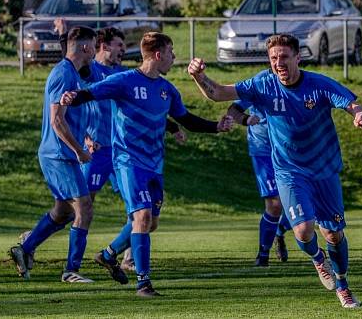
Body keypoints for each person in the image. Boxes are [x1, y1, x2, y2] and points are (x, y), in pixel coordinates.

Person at [187, 33, 362, 308]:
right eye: (273, 57)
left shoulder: (318, 84)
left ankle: (343, 285)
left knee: (333, 233)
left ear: (298, 57)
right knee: (303, 230)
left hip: (324, 171)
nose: (278, 62)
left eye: (284, 56)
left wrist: (358, 114)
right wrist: (199, 77)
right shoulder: (263, 84)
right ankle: (318, 260)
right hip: (289, 172)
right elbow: (220, 94)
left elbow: (349, 102)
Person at [60, 32, 234, 297]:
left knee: (151, 222)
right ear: (157, 54)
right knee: (141, 217)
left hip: (155, 164)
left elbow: (186, 119)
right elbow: (92, 93)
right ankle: (144, 283)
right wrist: (73, 97)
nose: (174, 57)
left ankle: (108, 255)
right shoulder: (125, 81)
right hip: (128, 161)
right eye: (171, 52)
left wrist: (216, 127)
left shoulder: (167, 89)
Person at [9, 26, 98, 283]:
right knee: (84, 208)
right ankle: (71, 270)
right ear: (85, 47)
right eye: (93, 44)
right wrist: (79, 150)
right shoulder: (63, 73)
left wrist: (86, 139)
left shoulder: (73, 73)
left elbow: (71, 117)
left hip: (61, 153)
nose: (95, 50)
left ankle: (24, 249)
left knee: (63, 212)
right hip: (59, 154)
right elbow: (57, 120)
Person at [226, 97, 291, 266]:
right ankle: (263, 255)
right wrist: (246, 119)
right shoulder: (257, 84)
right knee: (275, 205)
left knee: (304, 201)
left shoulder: (298, 83)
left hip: (290, 150)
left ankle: (280, 230)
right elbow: (233, 110)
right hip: (263, 151)